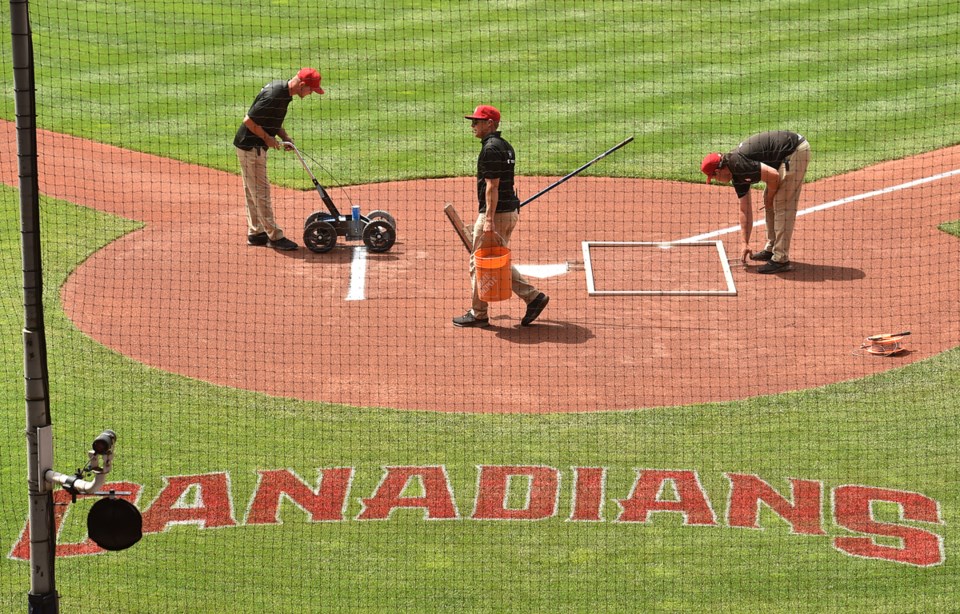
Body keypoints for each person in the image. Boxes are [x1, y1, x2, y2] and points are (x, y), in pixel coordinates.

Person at [453, 105, 549, 328]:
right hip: (507, 212)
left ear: (490, 124)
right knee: (495, 261)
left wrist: (488, 219)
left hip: (495, 215)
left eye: (477, 121)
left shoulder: (490, 149)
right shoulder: (504, 146)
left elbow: (492, 186)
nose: (472, 125)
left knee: (478, 262)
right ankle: (533, 298)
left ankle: (479, 314)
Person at [234, 67, 325, 250]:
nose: (310, 94)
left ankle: (255, 233)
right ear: (302, 85)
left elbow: (270, 118)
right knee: (261, 192)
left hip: (252, 147)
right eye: (311, 90)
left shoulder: (283, 92)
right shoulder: (275, 95)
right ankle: (275, 236)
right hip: (251, 147)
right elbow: (249, 120)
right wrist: (268, 138)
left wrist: (284, 136)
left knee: (253, 192)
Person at [701, 131, 811, 273]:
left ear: (719, 171)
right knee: (769, 197)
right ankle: (772, 248)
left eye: (714, 177)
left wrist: (770, 198)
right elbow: (744, 209)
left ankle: (781, 259)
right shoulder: (735, 174)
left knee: (781, 203)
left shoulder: (738, 164)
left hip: (794, 150)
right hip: (782, 154)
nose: (716, 180)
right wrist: (745, 242)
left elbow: (773, 175)